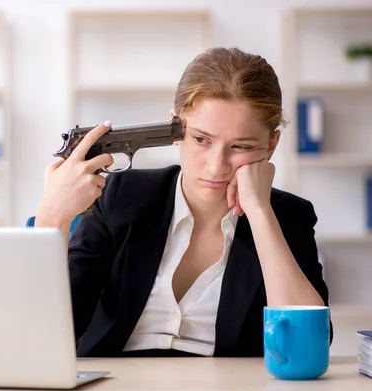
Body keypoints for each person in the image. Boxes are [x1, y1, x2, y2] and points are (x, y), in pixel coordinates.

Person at [34, 47, 331, 358]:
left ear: (272, 145)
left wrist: (259, 213)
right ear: (175, 128)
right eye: (201, 140)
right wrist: (51, 220)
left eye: (241, 146)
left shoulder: (289, 216)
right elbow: (44, 337)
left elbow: (305, 352)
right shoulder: (121, 195)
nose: (217, 166)